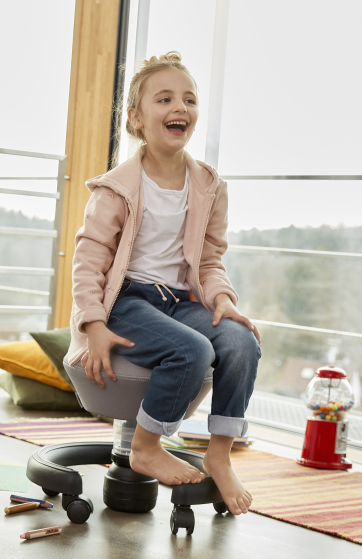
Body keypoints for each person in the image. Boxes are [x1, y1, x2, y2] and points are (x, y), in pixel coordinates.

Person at [64, 52, 262, 515]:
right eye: (165, 98)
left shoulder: (210, 186)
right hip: (127, 300)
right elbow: (89, 261)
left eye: (189, 99)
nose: (181, 106)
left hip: (180, 301)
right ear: (136, 118)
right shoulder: (116, 188)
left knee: (240, 342)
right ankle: (147, 446)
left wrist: (224, 300)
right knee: (192, 350)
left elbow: (210, 260)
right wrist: (92, 323)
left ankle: (219, 452)